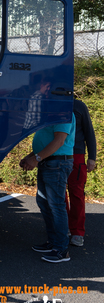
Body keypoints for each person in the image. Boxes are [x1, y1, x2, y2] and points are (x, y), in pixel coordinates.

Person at [19, 115, 75, 263]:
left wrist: (35, 159)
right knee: (44, 202)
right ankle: (54, 242)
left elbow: (59, 141)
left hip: (57, 164)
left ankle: (62, 249)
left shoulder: (63, 113)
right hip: (48, 162)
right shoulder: (52, 112)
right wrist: (31, 156)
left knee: (56, 205)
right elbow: (46, 141)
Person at [65, 98, 97, 247]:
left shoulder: (78, 105)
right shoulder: (52, 102)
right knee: (58, 194)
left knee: (76, 194)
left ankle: (77, 232)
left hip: (76, 155)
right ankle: (63, 226)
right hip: (55, 153)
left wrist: (92, 158)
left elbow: (89, 132)